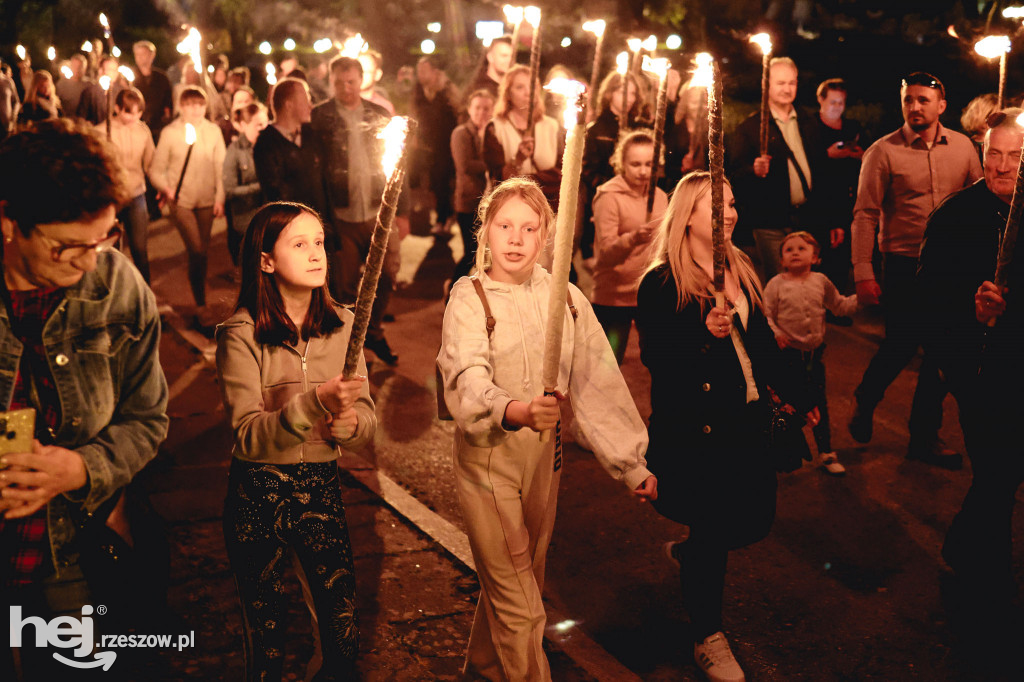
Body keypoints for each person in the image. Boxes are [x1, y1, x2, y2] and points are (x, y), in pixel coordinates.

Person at [438, 177, 656, 681]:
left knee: (521, 578)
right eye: (504, 226)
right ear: (485, 232)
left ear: (546, 235)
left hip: (545, 461)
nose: (515, 239)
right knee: (523, 604)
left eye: (529, 228)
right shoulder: (470, 299)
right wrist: (514, 409)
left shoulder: (568, 298)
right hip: (488, 461)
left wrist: (631, 464)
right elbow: (466, 380)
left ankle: (486, 669)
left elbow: (598, 381)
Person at [0, 119, 169, 676]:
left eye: (106, 237)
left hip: (77, 550)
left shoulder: (119, 287)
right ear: (9, 221)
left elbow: (147, 417)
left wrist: (81, 467)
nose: (90, 261)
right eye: (69, 246)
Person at [635, 171, 812, 682]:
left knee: (755, 521)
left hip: (748, 420)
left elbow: (760, 346)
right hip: (699, 430)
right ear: (688, 216)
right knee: (714, 532)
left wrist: (800, 398)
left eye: (732, 203)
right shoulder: (661, 281)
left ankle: (691, 557)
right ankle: (707, 636)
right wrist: (704, 337)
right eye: (717, 206)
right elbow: (657, 359)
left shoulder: (741, 265)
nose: (730, 213)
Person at [216, 202, 376, 680]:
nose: (315, 254)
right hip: (256, 493)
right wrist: (313, 404)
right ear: (266, 261)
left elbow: (365, 416)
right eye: (299, 244)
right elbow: (247, 432)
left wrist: (352, 426)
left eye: (320, 242)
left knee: (342, 633)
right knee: (267, 642)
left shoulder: (346, 325)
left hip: (319, 488)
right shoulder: (240, 334)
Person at [917, 108, 1023, 608]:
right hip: (980, 370)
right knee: (998, 472)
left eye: (1015, 156)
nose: (1002, 168)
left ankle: (962, 543)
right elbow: (928, 300)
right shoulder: (955, 217)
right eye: (993, 155)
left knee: (1003, 472)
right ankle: (993, 585)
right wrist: (972, 314)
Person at [848, 72, 981, 467]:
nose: (915, 107)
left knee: (940, 353)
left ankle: (924, 437)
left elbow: (979, 200)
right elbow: (865, 213)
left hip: (954, 266)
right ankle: (867, 396)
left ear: (942, 105)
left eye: (924, 100)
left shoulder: (963, 148)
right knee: (902, 343)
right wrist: (863, 271)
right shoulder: (882, 152)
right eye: (909, 100)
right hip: (905, 262)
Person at [310, 55, 399, 365]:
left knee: (387, 274)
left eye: (351, 81)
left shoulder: (377, 114)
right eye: (339, 83)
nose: (346, 88)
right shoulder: (320, 117)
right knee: (344, 285)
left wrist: (403, 210)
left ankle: (372, 331)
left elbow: (399, 162)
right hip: (341, 215)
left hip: (379, 213)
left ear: (361, 81)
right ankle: (350, 346)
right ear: (331, 83)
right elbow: (316, 169)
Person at [764, 231, 858, 475]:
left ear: (815, 258)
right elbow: (766, 315)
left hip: (815, 357)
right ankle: (780, 451)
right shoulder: (776, 284)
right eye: (789, 250)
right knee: (787, 404)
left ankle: (826, 452)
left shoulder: (821, 281)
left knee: (818, 403)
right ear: (782, 260)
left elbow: (840, 306)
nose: (795, 252)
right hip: (788, 357)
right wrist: (775, 334)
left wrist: (863, 299)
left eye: (801, 248)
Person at [728, 57, 822, 280]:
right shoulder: (751, 128)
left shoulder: (808, 122)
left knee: (809, 284)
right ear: (767, 86)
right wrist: (753, 169)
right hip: (769, 222)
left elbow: (821, 170)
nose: (787, 89)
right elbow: (733, 175)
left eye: (791, 83)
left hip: (806, 218)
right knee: (781, 284)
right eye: (780, 83)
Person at [149, 86, 226, 328]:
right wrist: (167, 188)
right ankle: (201, 305)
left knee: (202, 252)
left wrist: (220, 198)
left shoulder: (213, 131)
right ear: (181, 107)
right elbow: (155, 170)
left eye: (200, 104)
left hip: (205, 200)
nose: (195, 110)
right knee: (197, 249)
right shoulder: (171, 133)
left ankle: (198, 291)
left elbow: (220, 167)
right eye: (190, 104)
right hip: (181, 201)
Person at [591, 130, 668, 364]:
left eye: (649, 164)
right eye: (635, 164)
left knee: (660, 361)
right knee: (608, 366)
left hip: (650, 292)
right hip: (615, 294)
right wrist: (633, 237)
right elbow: (606, 252)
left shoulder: (661, 196)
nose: (643, 171)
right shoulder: (609, 196)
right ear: (621, 163)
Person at [580, 71, 646, 260]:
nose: (628, 98)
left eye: (633, 93)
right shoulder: (596, 130)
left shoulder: (639, 129)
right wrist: (612, 189)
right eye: (623, 91)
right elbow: (588, 170)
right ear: (610, 93)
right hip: (606, 200)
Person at [812, 78, 864, 295]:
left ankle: (838, 302)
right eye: (832, 102)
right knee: (823, 254)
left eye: (841, 103)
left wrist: (858, 155)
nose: (837, 108)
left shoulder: (852, 127)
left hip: (848, 197)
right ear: (821, 101)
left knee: (843, 256)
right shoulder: (812, 127)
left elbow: (864, 154)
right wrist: (828, 155)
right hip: (821, 200)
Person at [98, 87, 155, 283]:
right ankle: (115, 289)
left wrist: (163, 186)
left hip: (136, 193)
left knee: (140, 248)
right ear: (117, 108)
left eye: (138, 112)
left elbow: (150, 163)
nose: (133, 117)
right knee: (112, 250)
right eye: (128, 111)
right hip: (111, 197)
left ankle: (145, 292)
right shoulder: (102, 130)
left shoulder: (143, 131)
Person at [484, 65, 563, 205]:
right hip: (511, 205)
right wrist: (518, 160)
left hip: (549, 205)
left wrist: (523, 179)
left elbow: (561, 172)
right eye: (520, 87)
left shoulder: (552, 126)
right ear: (508, 93)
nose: (528, 92)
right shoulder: (496, 128)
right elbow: (498, 179)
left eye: (532, 86)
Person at [450, 89, 499, 284]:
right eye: (477, 108)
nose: (482, 112)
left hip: (490, 203)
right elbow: (465, 165)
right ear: (470, 110)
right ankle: (453, 287)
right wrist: (495, 162)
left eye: (486, 108)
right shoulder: (461, 134)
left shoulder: (493, 133)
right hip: (469, 203)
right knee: (471, 252)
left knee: (488, 254)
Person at [254, 78, 324, 211]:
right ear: (289, 105)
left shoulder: (311, 135)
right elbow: (276, 193)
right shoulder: (266, 144)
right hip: (293, 224)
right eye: (305, 101)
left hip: (319, 224)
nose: (311, 106)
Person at [412, 55, 459, 230]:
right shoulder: (419, 91)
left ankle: (445, 218)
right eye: (419, 71)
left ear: (435, 71)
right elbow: (416, 113)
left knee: (445, 182)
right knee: (434, 183)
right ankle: (444, 216)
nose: (420, 75)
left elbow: (458, 110)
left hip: (447, 145)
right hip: (428, 146)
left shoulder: (446, 90)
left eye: (424, 71)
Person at [224, 102, 268, 267]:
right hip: (246, 221)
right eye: (258, 125)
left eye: (266, 123)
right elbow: (229, 190)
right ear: (244, 125)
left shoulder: (269, 146)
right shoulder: (234, 152)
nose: (264, 128)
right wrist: (259, 187)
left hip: (267, 219)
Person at [132, 40, 173, 142]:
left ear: (152, 55)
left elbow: (168, 100)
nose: (140, 57)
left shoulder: (162, 78)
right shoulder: (130, 76)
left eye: (143, 54)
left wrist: (166, 116)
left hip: (157, 126)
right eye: (137, 54)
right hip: (134, 124)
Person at [76, 55, 125, 125]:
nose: (113, 73)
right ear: (100, 71)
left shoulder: (121, 92)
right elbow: (81, 117)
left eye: (114, 70)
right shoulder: (89, 92)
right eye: (109, 69)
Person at [358, 49, 395, 115]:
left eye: (366, 72)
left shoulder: (384, 107)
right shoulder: (341, 102)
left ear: (377, 74)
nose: (360, 76)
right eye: (358, 71)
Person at [55, 54, 89, 119]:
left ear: (85, 68)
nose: (77, 69)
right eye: (75, 66)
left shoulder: (89, 86)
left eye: (80, 67)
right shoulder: (62, 84)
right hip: (66, 122)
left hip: (84, 123)